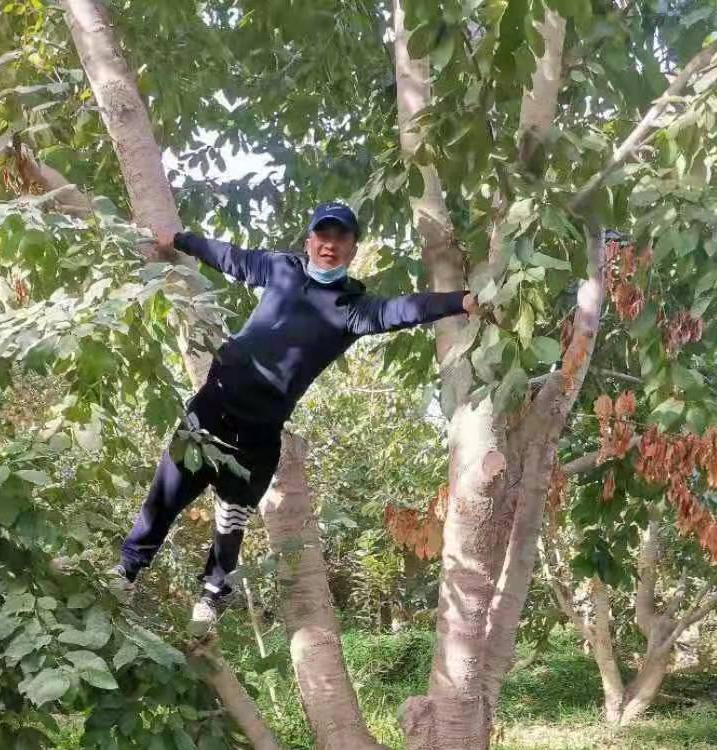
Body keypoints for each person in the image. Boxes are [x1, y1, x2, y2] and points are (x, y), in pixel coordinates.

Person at [113, 200, 478, 630]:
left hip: (257, 436)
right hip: (210, 411)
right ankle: (125, 574)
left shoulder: (352, 309)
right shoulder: (281, 269)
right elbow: (231, 257)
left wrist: (461, 300)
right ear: (309, 242)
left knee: (231, 520)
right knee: (163, 498)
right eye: (323, 235)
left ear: (352, 249)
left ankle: (212, 597)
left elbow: (402, 309)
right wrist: (178, 239)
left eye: (341, 238)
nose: (330, 245)